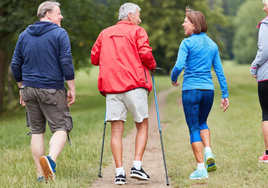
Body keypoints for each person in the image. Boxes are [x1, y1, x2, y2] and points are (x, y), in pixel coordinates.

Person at [91, 2, 156, 185]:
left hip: (112, 88)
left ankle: (119, 173)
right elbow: (145, 53)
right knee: (142, 124)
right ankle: (136, 166)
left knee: (116, 131)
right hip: (134, 84)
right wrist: (152, 65)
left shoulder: (104, 33)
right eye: (137, 15)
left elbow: (94, 58)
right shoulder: (138, 31)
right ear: (130, 16)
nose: (139, 19)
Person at [11, 1, 75, 182]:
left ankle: (41, 176)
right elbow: (66, 61)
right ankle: (50, 160)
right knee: (61, 127)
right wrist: (71, 87)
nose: (61, 16)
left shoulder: (24, 34)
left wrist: (21, 86)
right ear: (48, 14)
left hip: (29, 88)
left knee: (37, 131)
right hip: (51, 89)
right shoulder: (60, 33)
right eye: (58, 13)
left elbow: (16, 63)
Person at [170, 7, 229, 180]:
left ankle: (201, 169)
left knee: (193, 127)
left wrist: (173, 78)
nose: (183, 24)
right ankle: (208, 152)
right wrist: (224, 93)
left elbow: (179, 65)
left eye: (185, 22)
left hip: (191, 90)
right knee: (203, 121)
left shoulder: (186, 43)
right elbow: (219, 71)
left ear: (194, 25)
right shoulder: (213, 44)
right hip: (208, 91)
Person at [251, 0, 268, 163]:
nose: (263, 8)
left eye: (265, 4)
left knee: (267, 114)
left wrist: (254, 66)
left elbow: (264, 50)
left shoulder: (265, 24)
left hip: (266, 76)